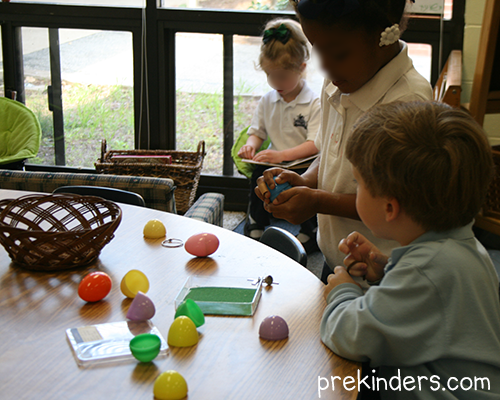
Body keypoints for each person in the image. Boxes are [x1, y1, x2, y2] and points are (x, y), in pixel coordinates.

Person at [322, 101, 500, 399]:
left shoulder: (425, 271)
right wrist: (386, 270)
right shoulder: (458, 246)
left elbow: (349, 334)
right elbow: (432, 305)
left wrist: (342, 291)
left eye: (358, 183)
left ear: (389, 207)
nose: (356, 190)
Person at [255, 0, 432, 282]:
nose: (324, 65)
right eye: (317, 50)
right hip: (337, 257)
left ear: (382, 39)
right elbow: (329, 151)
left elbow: (394, 203)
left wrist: (316, 201)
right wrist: (306, 180)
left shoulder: (409, 102)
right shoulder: (339, 79)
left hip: (383, 270)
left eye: (337, 53)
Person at [237, 18, 321, 249]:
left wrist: (281, 155)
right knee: (257, 177)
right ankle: (256, 220)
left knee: (310, 187)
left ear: (302, 68)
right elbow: (258, 132)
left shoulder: (313, 102)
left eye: (282, 76)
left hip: (303, 164)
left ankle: (310, 228)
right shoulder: (268, 100)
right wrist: (251, 145)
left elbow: (315, 144)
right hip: (275, 161)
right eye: (270, 75)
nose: (276, 83)